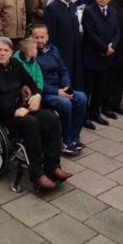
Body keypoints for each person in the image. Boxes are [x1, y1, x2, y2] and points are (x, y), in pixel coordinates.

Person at [0, 37, 71, 191]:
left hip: (21, 109)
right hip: (2, 114)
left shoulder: (15, 64)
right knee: (31, 123)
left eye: (6, 50)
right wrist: (13, 110)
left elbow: (31, 82)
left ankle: (52, 165)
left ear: (11, 53)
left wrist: (37, 96)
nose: (2, 53)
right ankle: (37, 173)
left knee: (52, 117)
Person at [33, 23, 87, 155]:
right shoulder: (31, 54)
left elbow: (63, 69)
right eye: (36, 37)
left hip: (60, 87)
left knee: (81, 98)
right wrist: (57, 92)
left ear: (47, 37)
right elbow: (34, 81)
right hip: (44, 92)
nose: (39, 40)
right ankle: (66, 140)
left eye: (42, 37)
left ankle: (75, 137)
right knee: (65, 103)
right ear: (32, 38)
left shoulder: (53, 49)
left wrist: (66, 86)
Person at [44, 0, 84, 120]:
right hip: (61, 55)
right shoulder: (52, 9)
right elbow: (51, 37)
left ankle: (77, 112)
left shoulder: (72, 6)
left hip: (75, 54)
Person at [81, 0, 118, 125]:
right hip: (92, 56)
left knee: (101, 88)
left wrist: (112, 46)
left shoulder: (113, 11)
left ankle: (95, 113)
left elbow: (117, 32)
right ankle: (84, 117)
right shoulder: (89, 11)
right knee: (88, 88)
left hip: (107, 57)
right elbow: (89, 34)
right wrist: (104, 48)